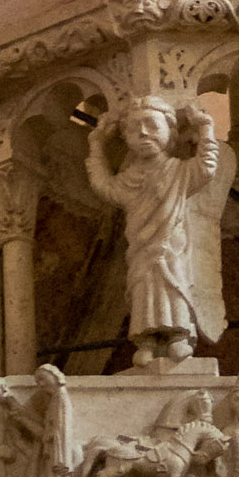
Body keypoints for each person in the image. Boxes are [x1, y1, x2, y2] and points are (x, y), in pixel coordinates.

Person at [85, 95, 222, 364]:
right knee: (143, 287)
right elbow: (103, 185)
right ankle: (146, 339)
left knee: (174, 284)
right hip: (141, 248)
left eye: (151, 125)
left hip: (171, 247)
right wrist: (96, 144)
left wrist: (206, 127)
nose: (143, 133)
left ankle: (178, 336)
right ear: (125, 138)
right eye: (134, 129)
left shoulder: (179, 171)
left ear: (170, 131)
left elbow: (206, 167)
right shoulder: (127, 180)